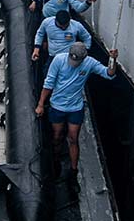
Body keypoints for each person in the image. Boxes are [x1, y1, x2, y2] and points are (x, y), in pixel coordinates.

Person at [35, 42, 117, 190]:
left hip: (75, 107)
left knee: (73, 139)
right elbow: (49, 83)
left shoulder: (89, 63)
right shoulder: (59, 60)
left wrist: (112, 60)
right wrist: (41, 104)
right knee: (57, 136)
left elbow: (109, 74)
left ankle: (73, 173)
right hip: (57, 106)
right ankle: (55, 161)